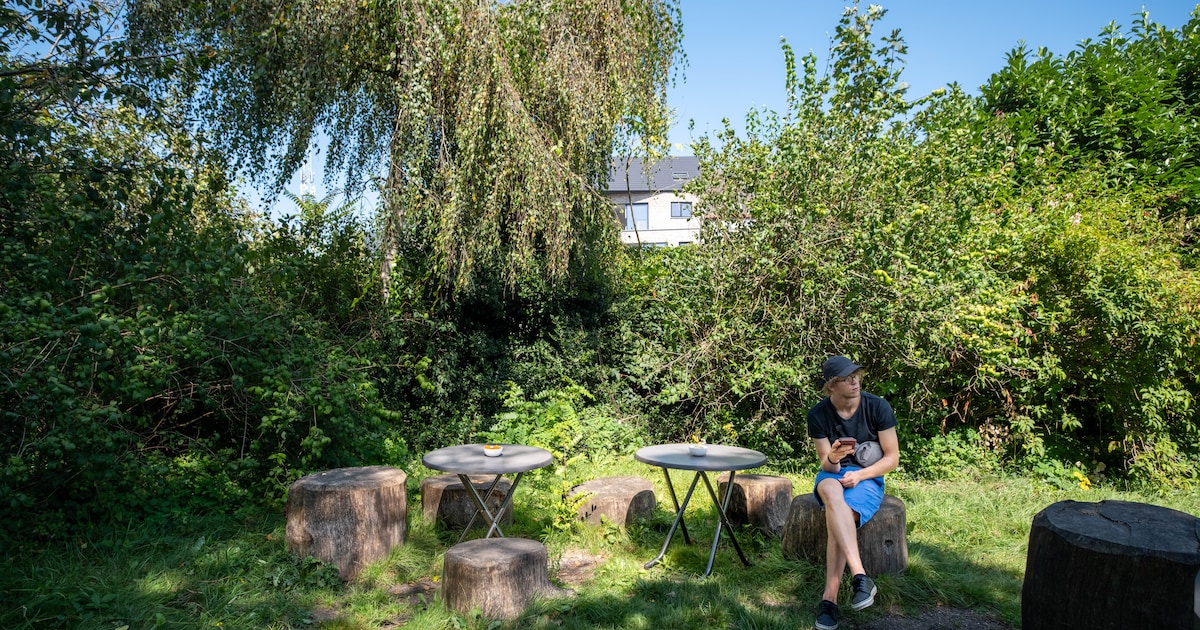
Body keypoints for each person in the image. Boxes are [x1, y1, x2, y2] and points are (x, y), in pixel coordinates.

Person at [806, 355, 900, 630]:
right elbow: (826, 465)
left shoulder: (877, 406)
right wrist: (833, 457)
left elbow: (892, 458)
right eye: (847, 379)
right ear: (831, 386)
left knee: (838, 516)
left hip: (866, 477)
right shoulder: (818, 414)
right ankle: (860, 575)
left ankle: (829, 600)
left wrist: (860, 475)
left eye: (856, 376)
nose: (854, 382)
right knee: (829, 489)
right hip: (833, 475)